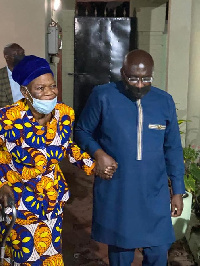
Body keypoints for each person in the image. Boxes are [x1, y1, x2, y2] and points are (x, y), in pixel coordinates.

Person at [74, 49, 185, 266]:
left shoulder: (164, 101)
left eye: (146, 79)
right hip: (119, 191)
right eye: (134, 78)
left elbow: (173, 148)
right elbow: (81, 131)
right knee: (121, 253)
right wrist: (99, 154)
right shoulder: (103, 96)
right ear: (123, 73)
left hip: (154, 191)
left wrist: (178, 191)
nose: (140, 85)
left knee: (158, 251)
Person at [0, 55, 96, 265]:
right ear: (25, 91)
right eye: (40, 88)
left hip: (53, 198)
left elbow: (67, 146)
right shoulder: (7, 118)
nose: (50, 92)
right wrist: (1, 184)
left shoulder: (65, 113)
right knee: (26, 256)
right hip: (21, 199)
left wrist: (92, 165)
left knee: (51, 254)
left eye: (52, 86)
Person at [0, 43, 25, 108]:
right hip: (8, 115)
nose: (20, 57)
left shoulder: (32, 72)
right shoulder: (1, 76)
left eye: (22, 53)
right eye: (15, 55)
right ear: (6, 57)